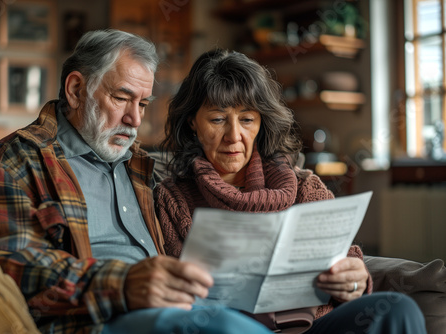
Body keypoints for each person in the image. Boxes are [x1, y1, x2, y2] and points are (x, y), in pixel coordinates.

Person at [0, 30, 276, 334]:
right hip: (93, 320)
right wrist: (123, 283)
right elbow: (10, 267)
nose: (135, 119)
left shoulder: (140, 164)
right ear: (76, 89)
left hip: (178, 307)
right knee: (226, 327)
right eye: (121, 98)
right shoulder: (20, 158)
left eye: (142, 104)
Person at [154, 48, 427, 334]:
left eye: (247, 119)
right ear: (192, 123)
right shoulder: (173, 200)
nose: (234, 136)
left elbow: (349, 266)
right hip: (231, 328)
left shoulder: (305, 188)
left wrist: (353, 282)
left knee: (399, 309)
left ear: (261, 123)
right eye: (218, 119)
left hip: (313, 327)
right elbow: (175, 299)